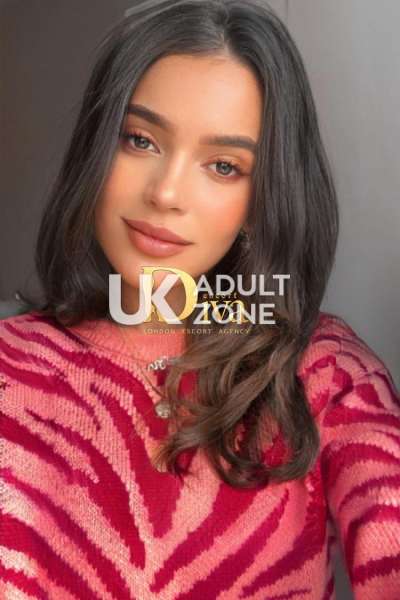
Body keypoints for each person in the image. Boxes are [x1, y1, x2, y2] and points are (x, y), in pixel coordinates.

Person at [1, 1, 399, 598]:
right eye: (140, 139)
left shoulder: (322, 374)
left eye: (223, 166)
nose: (166, 193)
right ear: (96, 148)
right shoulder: (11, 366)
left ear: (261, 201)